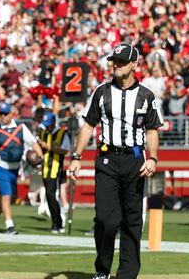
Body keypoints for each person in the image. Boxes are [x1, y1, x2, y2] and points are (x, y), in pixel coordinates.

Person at [68, 43, 162, 279]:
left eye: (121, 61)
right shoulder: (101, 92)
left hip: (134, 161)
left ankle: (127, 274)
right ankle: (102, 270)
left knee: (132, 221)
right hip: (107, 159)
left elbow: (152, 130)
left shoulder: (146, 95)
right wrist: (76, 157)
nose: (116, 65)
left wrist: (152, 158)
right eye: (114, 60)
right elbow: (88, 124)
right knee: (105, 219)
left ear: (134, 64)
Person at [0, 102, 42, 234]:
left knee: (7, 196)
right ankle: (10, 226)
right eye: (0, 114)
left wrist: (40, 157)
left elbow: (33, 142)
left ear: (11, 114)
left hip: (14, 166)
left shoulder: (21, 128)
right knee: (7, 195)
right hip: (0, 164)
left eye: (5, 114)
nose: (2, 116)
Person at [36, 112, 71, 233]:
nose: (46, 127)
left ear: (53, 123)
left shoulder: (62, 133)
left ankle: (57, 222)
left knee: (51, 194)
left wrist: (48, 147)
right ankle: (57, 221)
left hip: (56, 167)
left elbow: (65, 151)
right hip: (45, 167)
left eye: (48, 125)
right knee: (49, 195)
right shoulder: (43, 132)